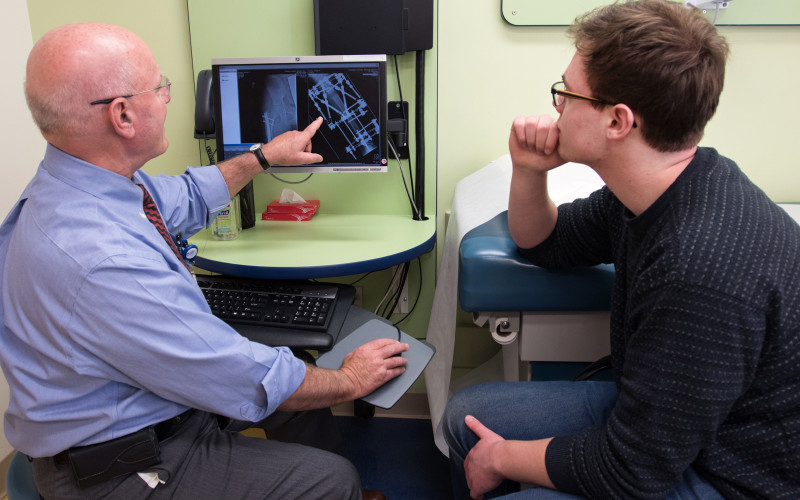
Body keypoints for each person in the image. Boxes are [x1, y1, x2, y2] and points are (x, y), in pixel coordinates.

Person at [0, 22, 408, 499]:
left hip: (138, 404)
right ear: (123, 116)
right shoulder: (102, 258)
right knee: (331, 476)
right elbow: (242, 376)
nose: (168, 98)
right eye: (160, 86)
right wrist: (350, 379)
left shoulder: (86, 184)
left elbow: (190, 195)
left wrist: (263, 157)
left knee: (295, 375)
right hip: (119, 466)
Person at [443, 1, 800, 499]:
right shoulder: (659, 189)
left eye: (566, 94)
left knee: (495, 459)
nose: (557, 108)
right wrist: (528, 169)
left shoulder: (697, 268)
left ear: (618, 121)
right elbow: (546, 241)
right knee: (466, 417)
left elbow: (631, 473)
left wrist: (501, 457)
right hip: (666, 430)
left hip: (729, 471)